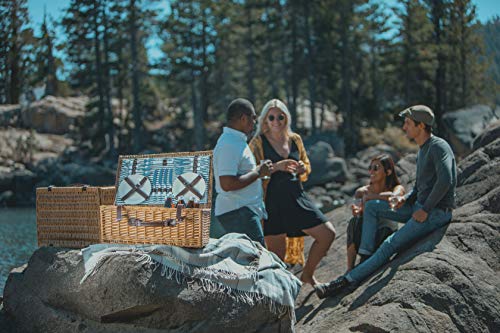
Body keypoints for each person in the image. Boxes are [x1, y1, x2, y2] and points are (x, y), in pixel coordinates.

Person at [315, 105, 457, 298]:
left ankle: (346, 281)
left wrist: (426, 208)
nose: (404, 127)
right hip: (418, 207)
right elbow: (419, 187)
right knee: (372, 206)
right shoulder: (423, 150)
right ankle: (365, 257)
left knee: (389, 245)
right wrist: (403, 199)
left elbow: (446, 180)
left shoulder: (438, 146)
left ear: (421, 125)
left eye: (407, 123)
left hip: (435, 213)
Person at [249, 98, 336, 286]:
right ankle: (279, 302)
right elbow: (251, 172)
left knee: (327, 234)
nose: (276, 121)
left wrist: (302, 168)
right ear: (265, 120)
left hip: (297, 198)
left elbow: (306, 164)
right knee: (277, 261)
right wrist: (276, 167)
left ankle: (308, 274)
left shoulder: (295, 139)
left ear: (286, 118)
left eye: (280, 117)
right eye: (271, 117)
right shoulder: (257, 143)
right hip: (272, 203)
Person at [213, 98, 272, 247]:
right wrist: (258, 172)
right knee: (258, 261)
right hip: (238, 211)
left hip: (241, 210)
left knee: (252, 262)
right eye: (253, 118)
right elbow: (226, 184)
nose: (255, 123)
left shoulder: (236, 141)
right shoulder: (229, 144)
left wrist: (258, 171)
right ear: (243, 118)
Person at [345, 154, 405, 273]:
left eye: (376, 168)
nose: (371, 171)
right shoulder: (361, 192)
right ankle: (350, 268)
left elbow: (395, 197)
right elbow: (357, 208)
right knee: (353, 223)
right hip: (366, 237)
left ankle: (369, 257)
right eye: (370, 168)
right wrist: (357, 211)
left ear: (388, 172)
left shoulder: (397, 187)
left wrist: (373, 197)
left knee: (384, 229)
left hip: (384, 234)